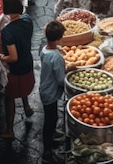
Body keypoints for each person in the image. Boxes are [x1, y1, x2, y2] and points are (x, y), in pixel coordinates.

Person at [0, 0, 35, 140]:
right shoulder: (27, 19)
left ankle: (9, 130)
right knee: (23, 89)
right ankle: (27, 107)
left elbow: (13, 57)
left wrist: (1, 57)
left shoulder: (8, 32)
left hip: (16, 69)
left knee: (9, 97)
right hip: (28, 62)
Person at [40, 20, 75, 163]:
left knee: (51, 118)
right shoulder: (56, 57)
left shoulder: (45, 49)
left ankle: (52, 136)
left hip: (45, 89)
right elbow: (61, 79)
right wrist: (69, 69)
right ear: (60, 38)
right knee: (50, 120)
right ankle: (46, 151)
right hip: (51, 93)